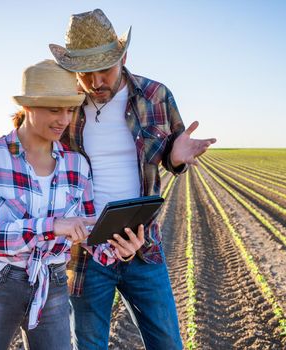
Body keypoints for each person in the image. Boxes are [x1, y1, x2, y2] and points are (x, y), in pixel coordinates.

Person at [49, 9, 216, 349]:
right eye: (85, 73)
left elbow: (171, 155)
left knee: (167, 343)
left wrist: (175, 157)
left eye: (104, 70)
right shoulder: (64, 107)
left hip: (143, 245)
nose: (96, 82)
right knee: (88, 346)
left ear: (123, 57)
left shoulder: (156, 95)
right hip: (86, 253)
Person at [0, 60, 100, 350]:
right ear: (28, 107)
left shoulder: (77, 164)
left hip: (54, 283)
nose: (64, 119)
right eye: (54, 109)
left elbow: (86, 228)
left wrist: (116, 247)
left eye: (70, 110)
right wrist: (50, 227)